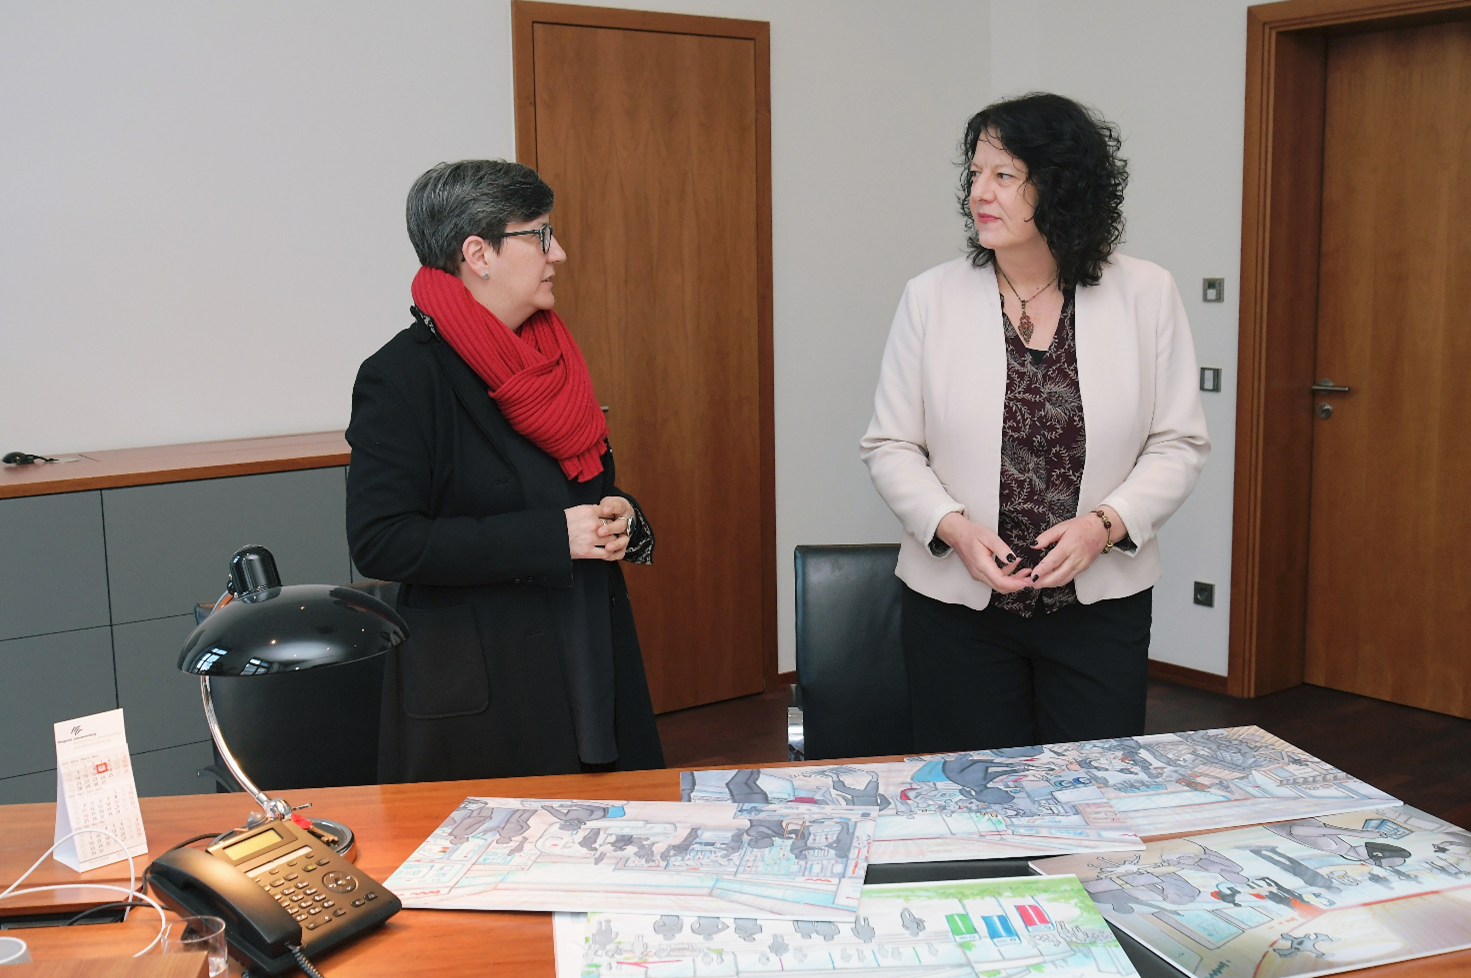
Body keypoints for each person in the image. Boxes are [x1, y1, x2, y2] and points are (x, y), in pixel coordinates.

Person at [860, 93, 1209, 752]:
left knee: (1090, 793)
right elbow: (890, 445)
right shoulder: (929, 297)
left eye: (1002, 175)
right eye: (973, 174)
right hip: (957, 606)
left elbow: (1178, 442)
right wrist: (952, 529)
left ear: (1059, 184)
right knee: (972, 795)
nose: (976, 194)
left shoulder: (1146, 292)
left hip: (1099, 605)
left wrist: (1103, 527)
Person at [346, 160, 664, 781]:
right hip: (486, 685)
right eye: (540, 235)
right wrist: (552, 537)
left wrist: (622, 514)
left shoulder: (554, 357)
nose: (559, 253)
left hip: (589, 651)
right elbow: (382, 541)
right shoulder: (402, 376)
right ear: (478, 253)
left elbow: (586, 487)